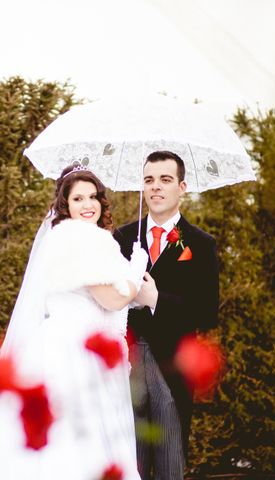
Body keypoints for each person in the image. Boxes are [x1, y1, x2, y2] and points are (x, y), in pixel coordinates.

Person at [0, 164, 148, 480]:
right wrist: (135, 276)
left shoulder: (77, 238)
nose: (88, 205)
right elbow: (110, 299)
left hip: (68, 343)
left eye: (93, 196)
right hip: (71, 349)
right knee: (72, 438)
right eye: (78, 199)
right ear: (65, 206)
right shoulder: (76, 238)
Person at [114, 151, 220, 479]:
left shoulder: (201, 244)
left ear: (182, 186)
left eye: (165, 180)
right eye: (149, 180)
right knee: (129, 461)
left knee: (171, 462)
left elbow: (207, 312)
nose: (156, 187)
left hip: (172, 370)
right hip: (126, 369)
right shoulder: (122, 238)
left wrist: (156, 299)